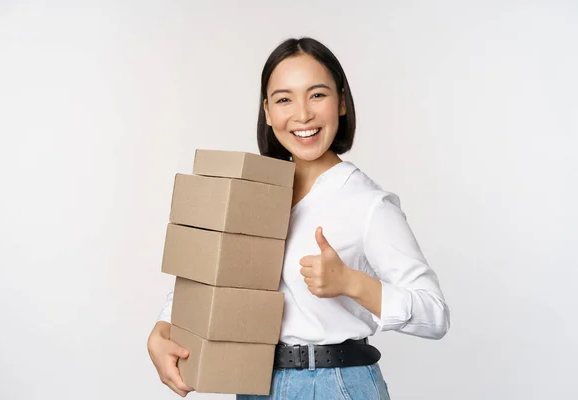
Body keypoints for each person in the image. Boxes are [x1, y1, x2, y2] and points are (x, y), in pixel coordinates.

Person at [147, 37, 450, 400]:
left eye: (317, 95)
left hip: (334, 385)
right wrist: (163, 328)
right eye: (284, 99)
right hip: (254, 382)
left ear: (341, 101)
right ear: (268, 111)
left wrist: (351, 282)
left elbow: (435, 315)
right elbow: (212, 275)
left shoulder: (368, 203)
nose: (302, 114)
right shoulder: (256, 190)